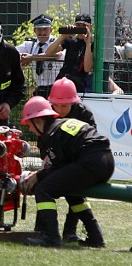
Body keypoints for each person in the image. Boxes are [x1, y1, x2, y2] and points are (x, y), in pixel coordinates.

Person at [20, 96, 114, 247]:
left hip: (90, 163)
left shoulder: (51, 134)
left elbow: (58, 166)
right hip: (107, 162)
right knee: (72, 193)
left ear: (38, 121)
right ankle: (96, 237)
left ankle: (51, 237)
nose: (29, 129)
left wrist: (38, 176)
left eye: (29, 124)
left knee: (43, 190)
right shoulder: (61, 125)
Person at [45, 76, 96, 243]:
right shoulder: (47, 113)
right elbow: (42, 138)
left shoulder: (85, 114)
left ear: (73, 102)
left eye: (64, 106)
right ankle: (43, 229)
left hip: (78, 160)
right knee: (44, 188)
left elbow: (91, 141)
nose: (59, 109)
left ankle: (70, 231)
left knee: (75, 192)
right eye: (56, 105)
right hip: (54, 157)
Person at [15, 13, 63, 98]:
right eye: (39, 30)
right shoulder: (30, 44)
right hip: (38, 88)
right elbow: (13, 53)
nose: (42, 33)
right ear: (34, 31)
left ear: (51, 30)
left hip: (55, 87)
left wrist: (31, 58)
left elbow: (57, 55)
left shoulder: (56, 43)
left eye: (45, 29)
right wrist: (23, 57)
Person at [45, 13, 94, 93]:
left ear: (90, 27)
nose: (81, 28)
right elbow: (48, 52)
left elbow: (87, 68)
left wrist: (88, 43)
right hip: (63, 79)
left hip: (78, 84)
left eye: (84, 26)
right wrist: (63, 36)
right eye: (78, 25)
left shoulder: (92, 44)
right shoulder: (70, 40)